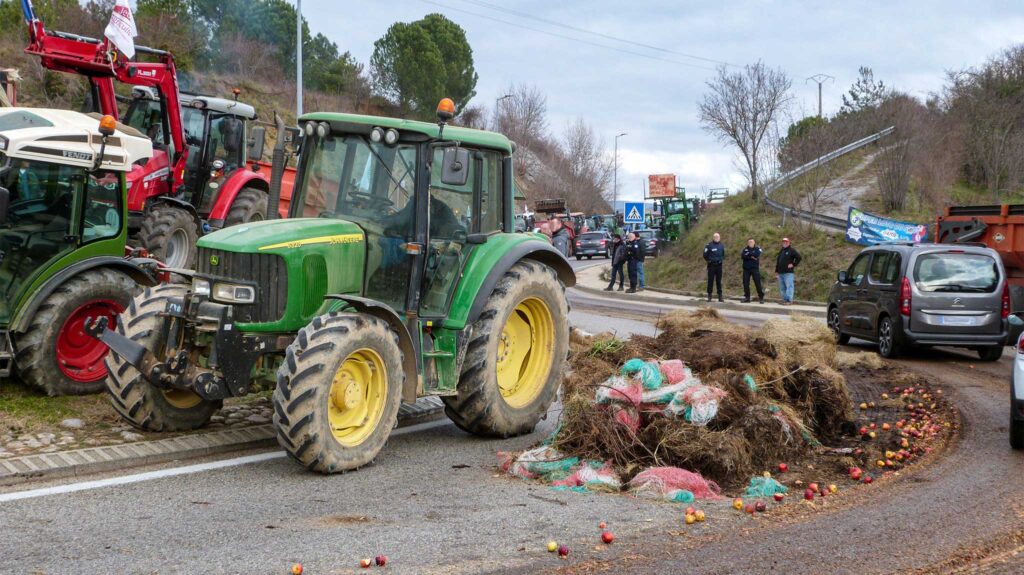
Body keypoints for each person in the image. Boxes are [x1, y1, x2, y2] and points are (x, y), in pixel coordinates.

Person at [775, 237, 802, 305]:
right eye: (783, 242)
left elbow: (799, 257)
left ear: (789, 242)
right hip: (780, 272)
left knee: (789, 286)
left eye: (786, 242)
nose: (785, 243)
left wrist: (793, 264)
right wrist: (776, 271)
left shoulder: (791, 250)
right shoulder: (781, 250)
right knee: (782, 287)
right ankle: (784, 300)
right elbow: (778, 261)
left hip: (788, 272)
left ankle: (789, 300)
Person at [741, 238, 765, 304]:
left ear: (754, 243)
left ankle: (761, 297)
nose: (750, 243)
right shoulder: (745, 249)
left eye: (752, 242)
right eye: (749, 242)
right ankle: (747, 297)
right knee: (745, 283)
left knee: (757, 283)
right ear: (747, 243)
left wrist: (749, 255)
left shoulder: (757, 248)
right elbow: (743, 256)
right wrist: (751, 256)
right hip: (746, 269)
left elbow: (757, 254)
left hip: (754, 269)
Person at [703, 232, 725, 302]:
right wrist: (709, 260)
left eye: (718, 237)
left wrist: (720, 260)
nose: (717, 238)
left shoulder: (721, 245)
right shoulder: (709, 245)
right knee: (710, 280)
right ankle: (709, 295)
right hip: (712, 265)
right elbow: (705, 255)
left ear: (720, 238)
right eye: (715, 237)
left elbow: (723, 254)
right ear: (713, 238)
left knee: (719, 281)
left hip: (719, 265)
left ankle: (720, 296)